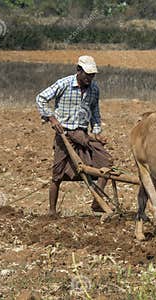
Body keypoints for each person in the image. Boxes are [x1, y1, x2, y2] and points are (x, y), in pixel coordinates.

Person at [36, 55, 113, 216]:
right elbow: (41, 98)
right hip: (64, 135)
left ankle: (96, 203)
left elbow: (95, 113)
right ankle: (52, 210)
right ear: (79, 70)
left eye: (92, 75)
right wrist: (51, 118)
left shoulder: (94, 89)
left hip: (83, 135)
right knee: (57, 174)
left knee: (105, 162)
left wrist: (97, 133)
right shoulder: (63, 84)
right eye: (87, 74)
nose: (90, 78)